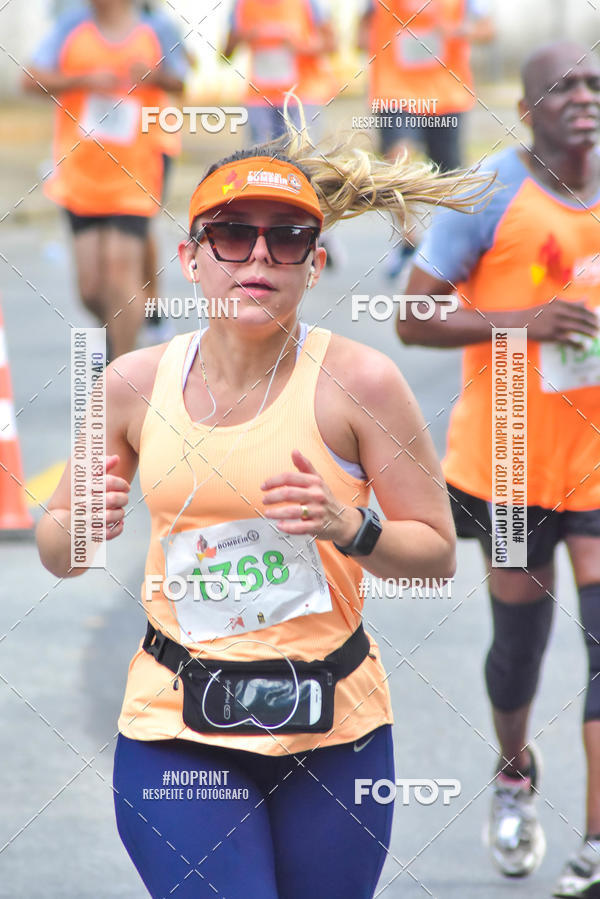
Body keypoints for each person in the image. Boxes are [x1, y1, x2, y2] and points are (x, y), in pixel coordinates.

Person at [35, 112, 488, 897]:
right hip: (178, 723)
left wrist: (350, 525)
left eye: (286, 240)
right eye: (233, 234)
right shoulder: (131, 385)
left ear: (315, 265)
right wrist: (80, 526)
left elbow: (437, 548)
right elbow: (58, 551)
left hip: (332, 722)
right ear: (190, 256)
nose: (257, 256)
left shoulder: (362, 381)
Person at [396, 41, 600, 897]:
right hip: (509, 461)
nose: (584, 97)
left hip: (596, 461)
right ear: (526, 111)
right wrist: (522, 320)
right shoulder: (489, 189)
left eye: (594, 83)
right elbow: (413, 316)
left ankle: (594, 842)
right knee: (518, 649)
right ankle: (514, 769)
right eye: (562, 86)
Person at [22, 0, 187, 360]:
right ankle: (130, 331)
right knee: (91, 288)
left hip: (136, 171)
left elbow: (182, 80)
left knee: (120, 273)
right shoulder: (71, 25)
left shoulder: (156, 26)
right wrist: (81, 80)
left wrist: (155, 76)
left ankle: (122, 368)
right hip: (80, 172)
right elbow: (29, 78)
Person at [358, 0, 494, 278]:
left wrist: (457, 30)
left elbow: (487, 29)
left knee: (451, 178)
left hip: (446, 92)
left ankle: (454, 246)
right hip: (394, 89)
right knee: (397, 161)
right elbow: (361, 32)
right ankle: (410, 238)